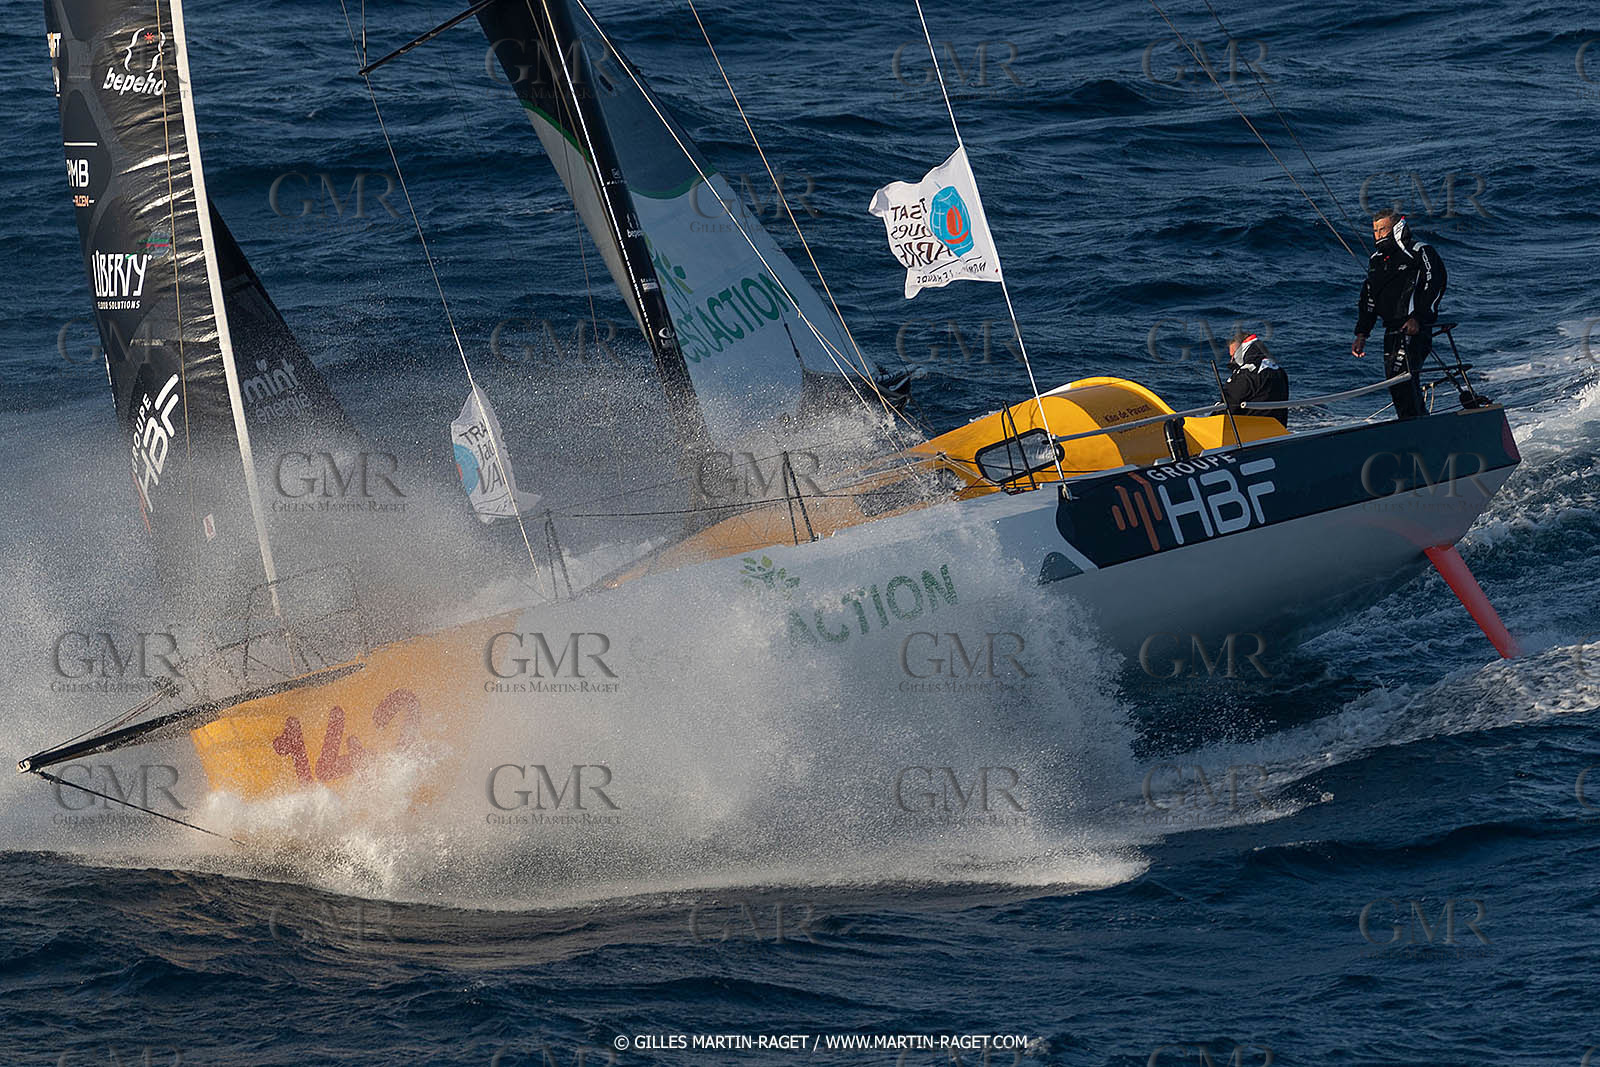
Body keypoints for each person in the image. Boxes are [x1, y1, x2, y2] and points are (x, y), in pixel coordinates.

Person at [1352, 209, 1447, 418]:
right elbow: (1369, 297)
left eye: (1383, 229)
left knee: (1402, 378)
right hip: (1392, 330)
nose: (1378, 235)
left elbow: (1436, 283)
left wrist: (1418, 318)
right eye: (1375, 231)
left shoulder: (1420, 251)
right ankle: (1413, 422)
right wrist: (1362, 333)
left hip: (1415, 328)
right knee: (1395, 383)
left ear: (1396, 227)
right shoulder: (1376, 260)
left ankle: (1416, 424)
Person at [1221, 331, 1289, 426]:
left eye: (1233, 355)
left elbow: (1229, 404)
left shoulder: (1247, 373)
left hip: (1249, 432)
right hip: (1277, 430)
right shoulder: (1278, 370)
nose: (1231, 360)